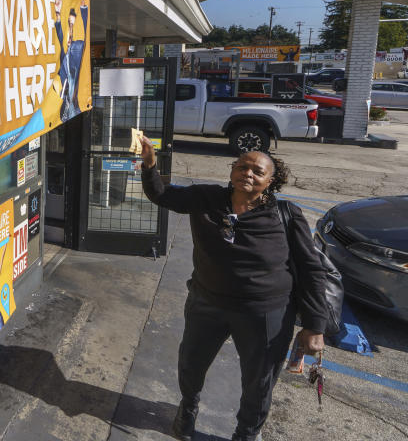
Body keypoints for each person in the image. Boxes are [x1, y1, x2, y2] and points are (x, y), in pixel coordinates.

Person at [138, 138, 328, 441]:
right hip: (207, 303)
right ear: (232, 171)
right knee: (191, 364)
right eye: (242, 166)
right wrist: (149, 163)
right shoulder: (206, 198)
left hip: (265, 313)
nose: (248, 173)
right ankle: (188, 408)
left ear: (271, 180)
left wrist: (315, 326)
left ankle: (247, 433)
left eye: (257, 171)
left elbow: (311, 270)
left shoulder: (285, 215)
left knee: (259, 382)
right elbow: (160, 195)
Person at [53, 0, 88, 121]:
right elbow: (60, 35)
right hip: (64, 113)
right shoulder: (64, 57)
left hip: (77, 110)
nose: (70, 32)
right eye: (69, 25)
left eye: (73, 25)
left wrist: (84, 10)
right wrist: (57, 13)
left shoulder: (77, 48)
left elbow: (86, 37)